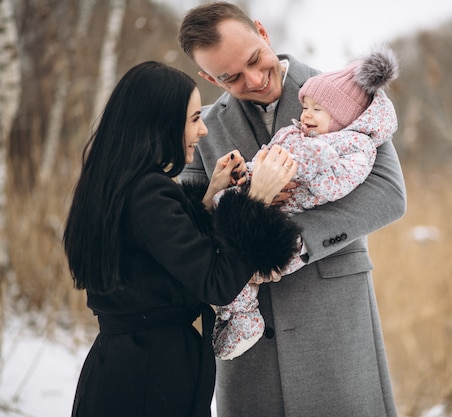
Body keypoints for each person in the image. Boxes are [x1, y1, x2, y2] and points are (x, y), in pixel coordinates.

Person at [178, 3, 406, 416]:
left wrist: (292, 240)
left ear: (262, 33)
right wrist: (236, 204)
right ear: (209, 78)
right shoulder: (203, 126)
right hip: (248, 347)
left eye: (254, 59)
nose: (253, 78)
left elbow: (389, 193)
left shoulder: (344, 91)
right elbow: (184, 225)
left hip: (332, 321)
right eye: (230, 77)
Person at [62, 60, 301, 417]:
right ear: (160, 123)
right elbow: (216, 282)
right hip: (151, 376)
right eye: (193, 120)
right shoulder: (148, 192)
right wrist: (256, 201)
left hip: (125, 366)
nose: (203, 131)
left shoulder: (118, 183)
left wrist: (207, 200)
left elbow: (155, 256)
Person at [211, 48, 400, 361]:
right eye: (306, 107)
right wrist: (248, 172)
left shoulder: (354, 144)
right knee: (224, 223)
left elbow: (343, 180)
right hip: (263, 204)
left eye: (318, 110)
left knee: (246, 262)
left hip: (291, 230)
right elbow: (268, 155)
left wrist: (301, 161)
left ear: (342, 118)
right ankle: (236, 315)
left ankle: (243, 318)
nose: (307, 115)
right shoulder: (296, 132)